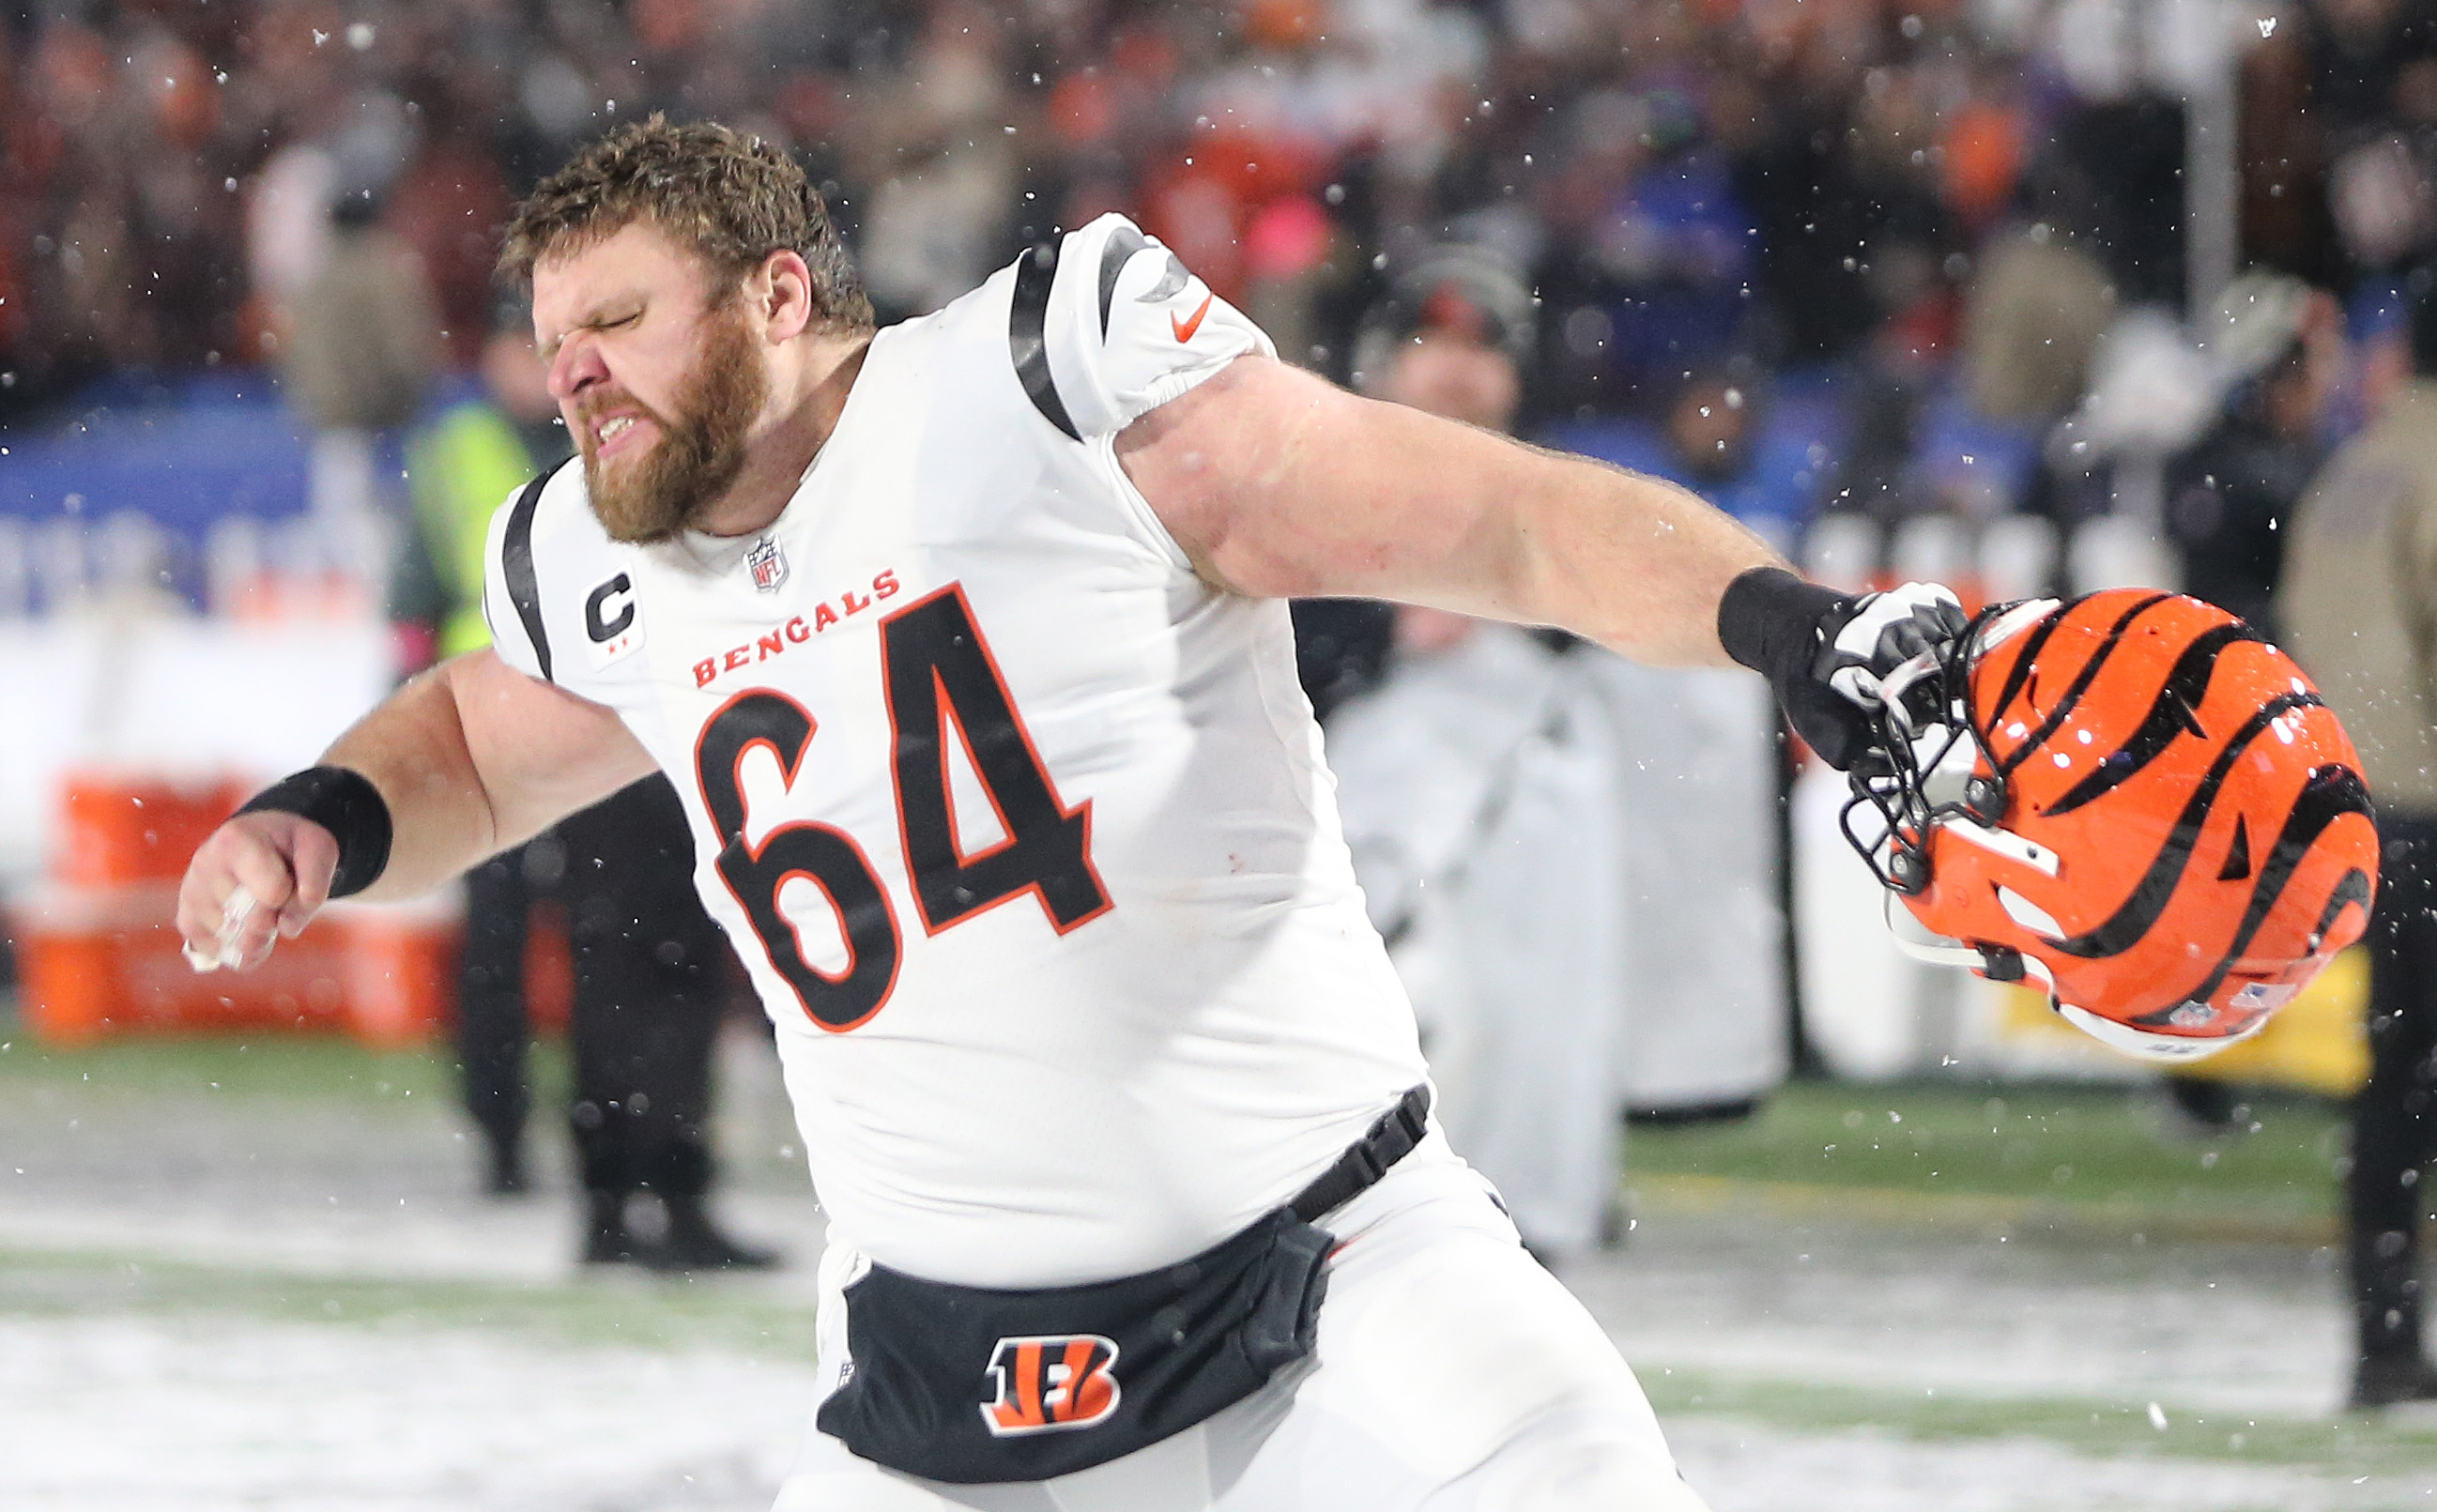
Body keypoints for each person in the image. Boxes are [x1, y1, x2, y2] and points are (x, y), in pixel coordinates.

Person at [176, 117, 1961, 1510]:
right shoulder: (593, 560)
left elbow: (1483, 521)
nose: (573, 373)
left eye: (621, 321)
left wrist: (1778, 623)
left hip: (1326, 1283)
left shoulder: (1038, 386)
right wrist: (314, 819)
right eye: (555, 337)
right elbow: (477, 744)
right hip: (930, 1383)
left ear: (780, 298)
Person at [393, 314, 778, 1270]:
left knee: (661, 963)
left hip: (632, 729)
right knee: (551, 966)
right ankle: (568, 1170)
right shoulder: (476, 447)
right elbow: (418, 593)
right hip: (524, 741)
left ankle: (661, 1187)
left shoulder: (618, 440)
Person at [2281, 267, 2437, 1411]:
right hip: (2433, 792)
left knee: (2397, 1083)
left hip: (2369, 807)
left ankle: (2382, 1339)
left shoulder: (2356, 463)